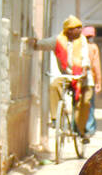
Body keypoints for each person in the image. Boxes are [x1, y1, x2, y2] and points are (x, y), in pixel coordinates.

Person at [34, 15, 94, 143]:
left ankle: (81, 130)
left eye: (80, 28)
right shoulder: (58, 40)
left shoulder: (82, 40)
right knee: (54, 86)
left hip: (83, 77)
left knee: (85, 102)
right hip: (67, 75)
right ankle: (55, 119)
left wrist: (84, 69)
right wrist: (33, 43)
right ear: (69, 30)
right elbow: (42, 44)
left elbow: (85, 57)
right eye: (76, 28)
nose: (79, 30)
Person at [82, 26, 102, 136]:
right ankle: (89, 129)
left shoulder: (79, 45)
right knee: (90, 104)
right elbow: (96, 66)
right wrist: (98, 82)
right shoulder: (93, 47)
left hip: (77, 78)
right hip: (90, 80)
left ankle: (77, 126)